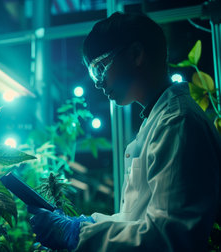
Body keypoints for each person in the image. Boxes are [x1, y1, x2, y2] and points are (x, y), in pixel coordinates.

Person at [28, 12, 221, 251]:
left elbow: (172, 235)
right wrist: (84, 224)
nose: (98, 83)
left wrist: (78, 235)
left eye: (99, 69)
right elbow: (138, 221)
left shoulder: (177, 122)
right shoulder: (159, 120)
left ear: (135, 54)